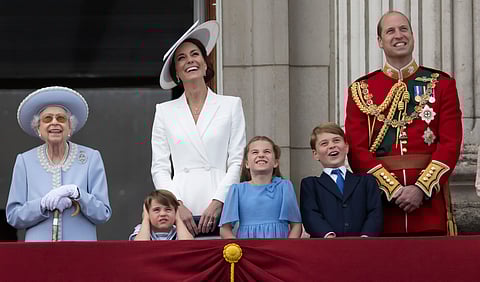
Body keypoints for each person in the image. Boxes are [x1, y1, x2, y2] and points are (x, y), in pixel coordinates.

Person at [345, 11, 462, 235]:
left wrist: (421, 188)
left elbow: (450, 144)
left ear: (412, 35)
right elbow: (357, 150)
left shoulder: (442, 84)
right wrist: (393, 190)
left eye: (403, 29)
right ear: (380, 41)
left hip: (429, 205)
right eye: (390, 31)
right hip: (381, 208)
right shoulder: (361, 90)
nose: (398, 35)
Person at [153, 20, 246, 238]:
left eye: (195, 54)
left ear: (205, 64)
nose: (189, 61)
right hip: (181, 205)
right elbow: (159, 167)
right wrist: (175, 205)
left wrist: (218, 201)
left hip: (222, 205)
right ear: (176, 72)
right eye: (181, 58)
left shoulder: (231, 105)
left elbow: (236, 160)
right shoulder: (164, 111)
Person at [6, 86, 112, 241]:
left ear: (70, 127)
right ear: (38, 128)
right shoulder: (24, 161)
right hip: (39, 253)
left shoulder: (91, 158)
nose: (54, 123)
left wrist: (78, 194)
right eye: (47, 119)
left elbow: (103, 214)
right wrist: (41, 204)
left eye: (61, 119)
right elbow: (13, 216)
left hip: (81, 251)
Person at [300, 123, 383, 238]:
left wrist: (366, 236)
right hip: (326, 248)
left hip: (362, 247)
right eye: (324, 143)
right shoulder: (310, 185)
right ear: (315, 154)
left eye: (336, 140)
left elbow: (375, 212)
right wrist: (327, 235)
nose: (332, 146)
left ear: (346, 147)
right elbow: (310, 214)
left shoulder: (366, 181)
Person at [219, 136, 302, 239]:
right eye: (255, 152)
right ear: (247, 163)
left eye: (267, 152)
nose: (261, 155)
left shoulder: (285, 187)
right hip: (247, 249)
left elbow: (296, 225)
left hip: (279, 248)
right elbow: (225, 229)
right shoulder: (237, 190)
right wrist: (237, 248)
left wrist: (287, 247)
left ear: (276, 162)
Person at [129, 190, 193, 240]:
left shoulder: (180, 230)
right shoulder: (142, 229)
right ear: (148, 213)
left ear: (175, 212)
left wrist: (178, 219)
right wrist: (146, 219)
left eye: (168, 209)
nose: (163, 214)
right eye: (156, 210)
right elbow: (139, 246)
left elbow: (189, 245)